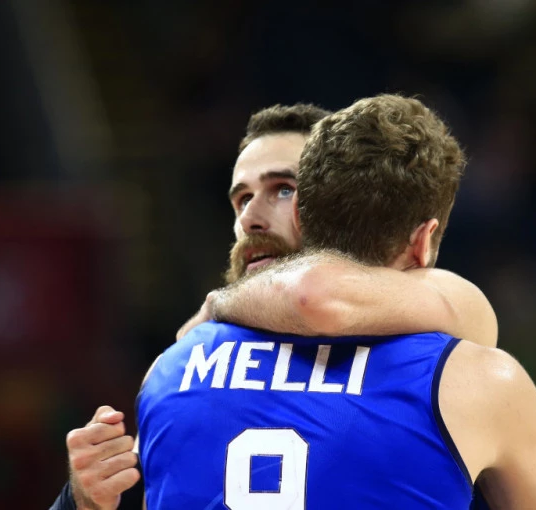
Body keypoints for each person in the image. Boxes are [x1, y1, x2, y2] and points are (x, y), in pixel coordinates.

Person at [50, 102, 498, 509]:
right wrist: (83, 500)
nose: (249, 218)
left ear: (337, 205)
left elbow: (317, 295)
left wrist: (218, 303)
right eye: (242, 199)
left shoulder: (434, 330)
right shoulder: (184, 366)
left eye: (283, 189)